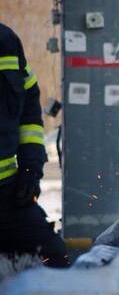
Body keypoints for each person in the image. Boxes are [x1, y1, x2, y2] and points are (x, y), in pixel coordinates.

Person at [0, 22, 70, 268]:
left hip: (8, 194)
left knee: (57, 261)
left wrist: (30, 169)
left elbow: (28, 103)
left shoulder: (6, 41)